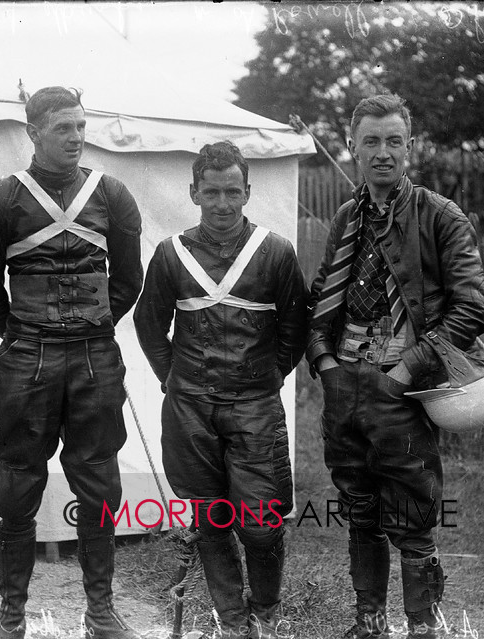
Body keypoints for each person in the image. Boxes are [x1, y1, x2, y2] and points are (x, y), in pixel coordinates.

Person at [306, 94, 484, 639]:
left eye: (393, 141)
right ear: (351, 148)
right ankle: (368, 625)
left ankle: (422, 628)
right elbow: (323, 298)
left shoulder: (440, 215)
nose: (382, 153)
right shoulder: (346, 217)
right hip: (344, 387)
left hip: (401, 387)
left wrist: (409, 369)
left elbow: (474, 307)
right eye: (371, 142)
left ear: (409, 148)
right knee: (358, 509)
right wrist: (325, 364)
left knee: (413, 516)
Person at [0, 87, 143, 639]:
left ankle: (100, 612)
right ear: (34, 132)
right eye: (63, 128)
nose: (76, 138)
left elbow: (129, 280)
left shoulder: (113, 194)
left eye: (81, 126)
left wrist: (90, 328)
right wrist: (23, 333)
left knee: (99, 483)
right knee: (17, 486)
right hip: (27, 359)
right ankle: (13, 617)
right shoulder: (0, 199)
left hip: (94, 358)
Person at [134, 141, 307, 639]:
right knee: (211, 518)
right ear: (194, 193)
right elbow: (149, 326)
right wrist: (174, 379)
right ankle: (233, 621)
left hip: (254, 406)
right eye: (212, 192)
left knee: (261, 521)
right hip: (191, 409)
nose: (223, 203)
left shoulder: (274, 252)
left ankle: (266, 612)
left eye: (233, 192)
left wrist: (269, 377)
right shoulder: (171, 255)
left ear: (248, 191)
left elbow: (295, 326)